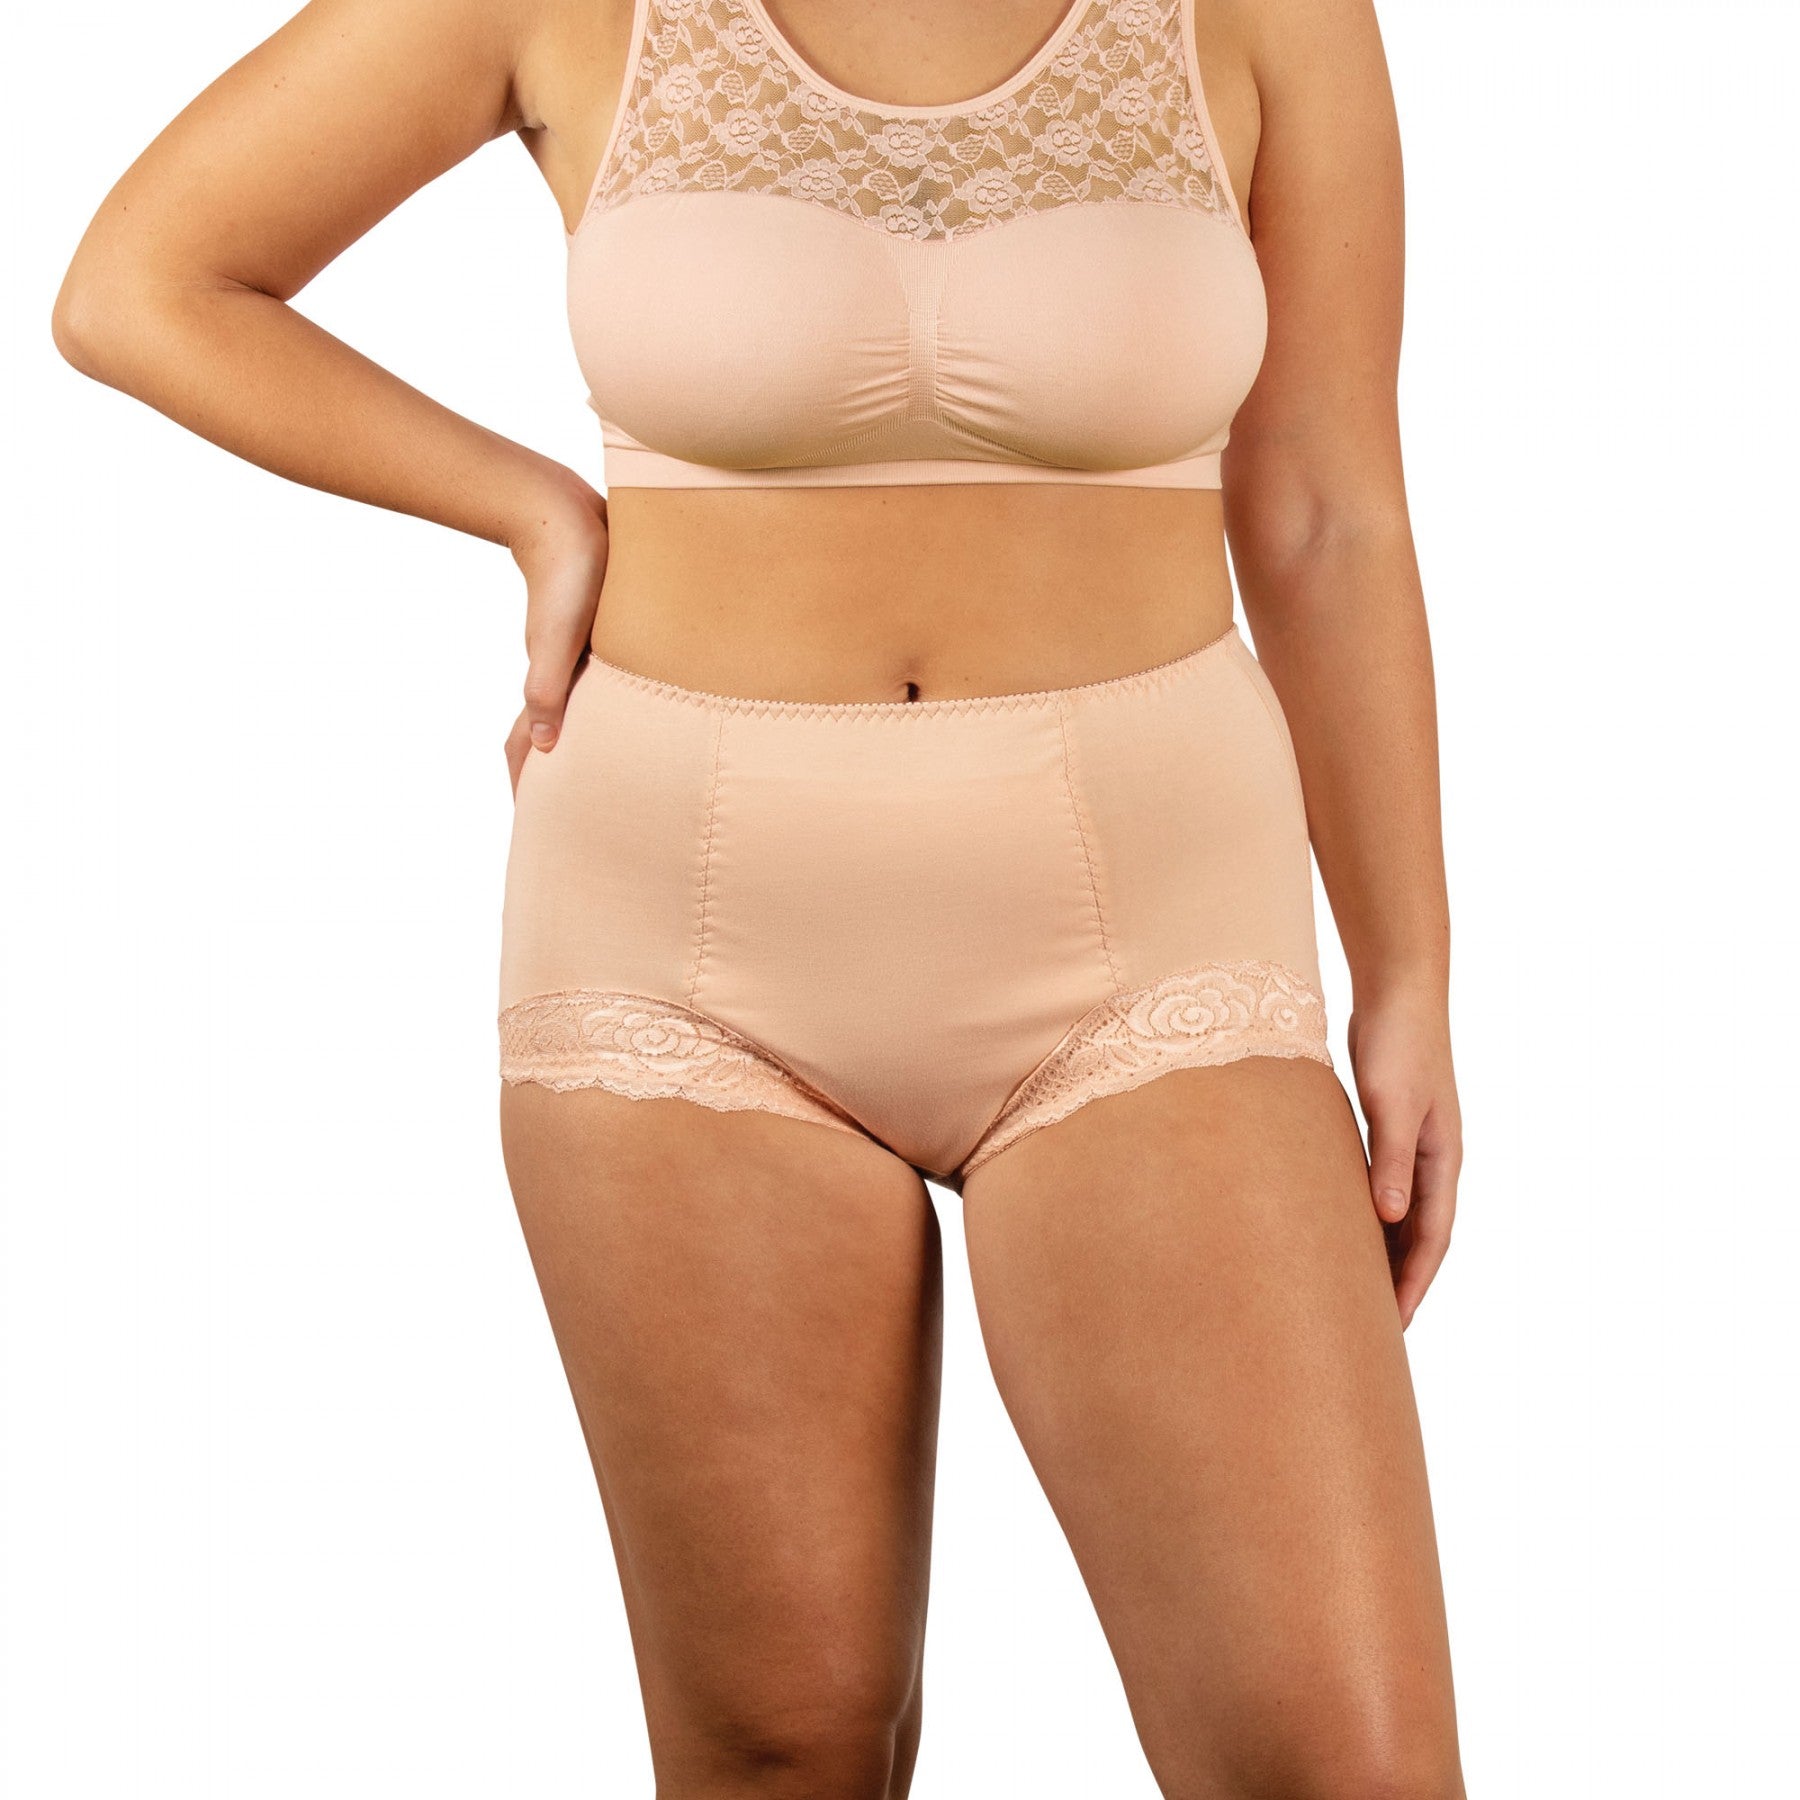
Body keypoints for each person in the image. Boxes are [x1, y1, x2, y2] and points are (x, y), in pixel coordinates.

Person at [52, 0, 1466, 1792]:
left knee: (1343, 1765)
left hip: (1155, 934)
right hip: (682, 947)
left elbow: (1328, 504)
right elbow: (144, 283)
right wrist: (532, 511)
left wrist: (1407, 970)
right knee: (780, 1746)